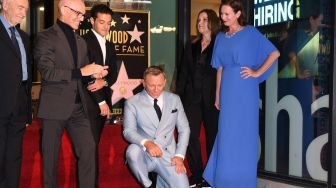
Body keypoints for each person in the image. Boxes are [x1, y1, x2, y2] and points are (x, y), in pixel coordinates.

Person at [202, 0, 280, 187]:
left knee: (244, 137)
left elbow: (274, 53)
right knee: (226, 136)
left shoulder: (251, 33)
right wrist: (217, 95)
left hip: (245, 92)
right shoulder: (220, 37)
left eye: (227, 14)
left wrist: (257, 72)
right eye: (222, 14)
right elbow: (219, 68)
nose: (223, 17)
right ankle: (223, 180)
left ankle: (243, 182)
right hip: (227, 92)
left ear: (238, 14)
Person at [34, 0, 109, 187]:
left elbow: (83, 76)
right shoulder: (45, 37)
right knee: (50, 160)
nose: (82, 19)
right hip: (54, 108)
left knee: (89, 150)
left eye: (83, 15)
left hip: (78, 108)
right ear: (64, 9)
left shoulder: (81, 42)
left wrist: (95, 74)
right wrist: (82, 72)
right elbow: (48, 72)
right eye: (79, 14)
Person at [123, 66, 190, 188]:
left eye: (159, 85)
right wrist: (147, 143)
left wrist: (179, 156)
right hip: (145, 155)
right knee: (132, 151)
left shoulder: (175, 99)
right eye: (151, 85)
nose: (156, 89)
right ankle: (149, 185)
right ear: (143, 83)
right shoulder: (132, 102)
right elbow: (128, 131)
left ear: (164, 82)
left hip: (168, 156)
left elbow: (184, 129)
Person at [176, 9, 220, 188]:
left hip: (213, 100)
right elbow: (183, 74)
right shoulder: (191, 46)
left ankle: (211, 176)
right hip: (191, 99)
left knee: (212, 138)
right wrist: (178, 98)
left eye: (204, 19)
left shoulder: (220, 44)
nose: (200, 22)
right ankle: (197, 173)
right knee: (190, 135)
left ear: (213, 23)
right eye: (199, 19)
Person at [82, 4, 118, 187]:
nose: (106, 26)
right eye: (101, 22)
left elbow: (114, 73)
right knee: (89, 151)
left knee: (93, 148)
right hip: (89, 105)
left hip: (103, 104)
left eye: (109, 23)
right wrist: (102, 102)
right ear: (91, 21)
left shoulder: (110, 45)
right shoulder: (83, 42)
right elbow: (86, 76)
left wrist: (103, 81)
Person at [0, 0, 31, 187]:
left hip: (18, 110)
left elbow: (25, 78)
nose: (23, 14)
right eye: (20, 8)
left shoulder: (24, 37)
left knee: (14, 160)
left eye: (25, 10)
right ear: (4, 4)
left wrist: (27, 111)